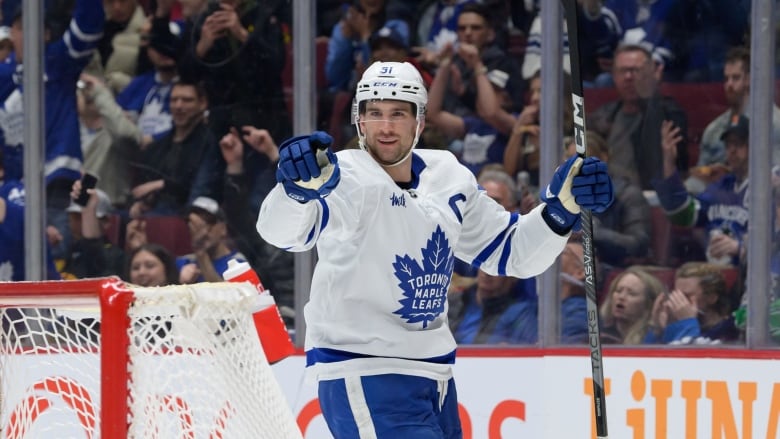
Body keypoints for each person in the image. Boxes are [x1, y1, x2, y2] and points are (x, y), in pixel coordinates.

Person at [256, 61, 614, 437]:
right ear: (359, 121)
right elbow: (281, 232)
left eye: (398, 114)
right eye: (374, 114)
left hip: (435, 375)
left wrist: (561, 211)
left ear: (420, 122)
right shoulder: (341, 177)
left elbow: (514, 252)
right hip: (364, 369)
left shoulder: (448, 176)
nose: (386, 127)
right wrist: (295, 191)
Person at [1, 0, 105, 259]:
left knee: (54, 258)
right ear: (11, 32)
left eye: (35, 27)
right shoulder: (3, 77)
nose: (27, 33)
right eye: (20, 27)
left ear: (46, 34)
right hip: (13, 191)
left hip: (57, 187)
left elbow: (88, 27)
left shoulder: (58, 62)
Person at [587, 43, 688, 191]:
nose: (629, 77)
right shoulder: (603, 116)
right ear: (614, 76)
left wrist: (649, 92)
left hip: (652, 197)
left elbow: (659, 162)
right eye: (623, 71)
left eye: (636, 70)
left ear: (652, 73)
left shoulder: (670, 113)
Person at [654, 114, 749, 268]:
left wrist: (740, 249)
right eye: (728, 144)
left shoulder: (769, 189)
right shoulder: (720, 187)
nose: (731, 150)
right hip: (714, 276)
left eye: (738, 144)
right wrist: (669, 162)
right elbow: (682, 214)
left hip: (752, 277)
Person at [689, 47, 780, 193]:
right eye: (726, 79)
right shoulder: (713, 130)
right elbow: (699, 179)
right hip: (718, 204)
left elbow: (776, 179)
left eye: (736, 78)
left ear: (750, 79)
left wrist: (732, 174)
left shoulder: (774, 125)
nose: (729, 85)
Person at [564, 131, 651, 269]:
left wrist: (592, 232)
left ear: (603, 159)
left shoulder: (628, 195)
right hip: (568, 267)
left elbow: (638, 245)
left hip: (610, 269)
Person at [128, 80, 213, 218]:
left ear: (202, 103)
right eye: (174, 100)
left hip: (185, 217)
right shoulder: (158, 146)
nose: (178, 106)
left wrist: (162, 185)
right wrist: (141, 204)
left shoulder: (208, 143)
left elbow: (201, 189)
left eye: (187, 100)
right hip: (154, 212)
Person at [645, 262, 739, 344]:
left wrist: (687, 322)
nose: (677, 301)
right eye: (676, 294)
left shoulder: (728, 330)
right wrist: (658, 330)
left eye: (686, 296)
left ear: (711, 298)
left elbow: (687, 358)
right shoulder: (676, 324)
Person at [59, 184, 125, 280]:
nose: (76, 224)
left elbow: (92, 251)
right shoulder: (69, 250)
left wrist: (89, 210)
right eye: (74, 217)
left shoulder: (115, 256)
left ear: (105, 221)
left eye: (81, 217)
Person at [176, 196, 248, 284]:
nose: (203, 231)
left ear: (223, 228)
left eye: (209, 222)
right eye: (195, 224)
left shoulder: (238, 263)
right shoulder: (183, 262)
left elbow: (229, 294)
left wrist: (201, 254)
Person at [599, 266, 666, 345]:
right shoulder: (600, 336)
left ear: (648, 304)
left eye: (632, 294)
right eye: (618, 291)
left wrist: (657, 330)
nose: (621, 297)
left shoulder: (657, 336)